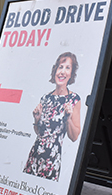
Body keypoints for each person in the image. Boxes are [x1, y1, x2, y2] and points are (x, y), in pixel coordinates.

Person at [23, 52, 82, 181]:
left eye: (67, 68)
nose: (62, 72)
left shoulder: (73, 100)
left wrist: (68, 119)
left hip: (51, 160)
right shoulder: (45, 98)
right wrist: (36, 119)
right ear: (55, 70)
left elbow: (74, 137)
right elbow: (40, 132)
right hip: (34, 156)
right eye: (60, 67)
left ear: (71, 74)